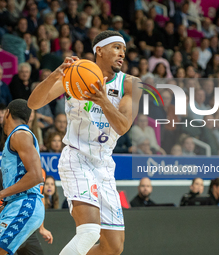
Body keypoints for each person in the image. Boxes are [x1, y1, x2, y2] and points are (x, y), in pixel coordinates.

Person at [28, 30, 143, 255]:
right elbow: (34, 103)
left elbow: (122, 126)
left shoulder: (131, 84)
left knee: (113, 247)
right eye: (117, 48)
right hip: (77, 158)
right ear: (99, 50)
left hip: (104, 164)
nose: (122, 54)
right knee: (89, 232)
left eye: (124, 50)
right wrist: (55, 75)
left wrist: (102, 99)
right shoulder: (75, 74)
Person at [0, 99, 45, 255]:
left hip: (25, 205)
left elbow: (36, 176)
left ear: (7, 113)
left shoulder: (20, 134)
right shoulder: (18, 136)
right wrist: (1, 207)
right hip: (17, 205)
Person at [0, 168, 53, 255]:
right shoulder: (3, 173)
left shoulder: (39, 171)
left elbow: (40, 196)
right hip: (8, 224)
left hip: (27, 228)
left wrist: (42, 228)